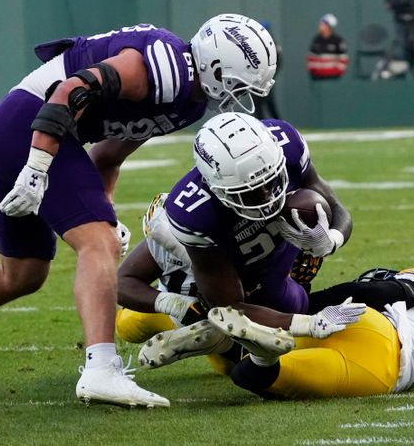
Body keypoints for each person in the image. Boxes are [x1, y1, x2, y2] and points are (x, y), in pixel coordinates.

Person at [0, 14, 278, 408]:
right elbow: (70, 91)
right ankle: (101, 368)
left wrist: (108, 211)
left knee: (24, 273)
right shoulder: (165, 65)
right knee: (97, 243)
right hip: (27, 127)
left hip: (17, 131)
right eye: (236, 85)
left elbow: (108, 155)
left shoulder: (186, 102)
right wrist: (36, 168)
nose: (236, 98)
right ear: (215, 65)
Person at [135, 112, 358, 369]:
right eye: (249, 192)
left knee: (280, 313)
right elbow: (228, 307)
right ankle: (218, 341)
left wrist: (331, 239)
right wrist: (307, 324)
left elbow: (336, 208)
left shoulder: (287, 144)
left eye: (271, 182)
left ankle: (217, 341)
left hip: (262, 277)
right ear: (216, 187)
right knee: (241, 347)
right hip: (211, 291)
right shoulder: (194, 214)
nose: (266, 197)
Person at [115, 192, 325, 374]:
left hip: (249, 304)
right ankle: (222, 342)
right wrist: (174, 304)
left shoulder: (220, 232)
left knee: (130, 323)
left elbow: (234, 305)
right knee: (129, 323)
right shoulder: (176, 237)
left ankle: (222, 343)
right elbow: (121, 283)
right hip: (208, 303)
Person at [209, 266, 414, 399]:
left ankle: (239, 346)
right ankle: (261, 354)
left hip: (367, 328)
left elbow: (366, 293)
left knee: (252, 368)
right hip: (374, 369)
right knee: (251, 374)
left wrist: (291, 311)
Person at [306, 14, 348, 80]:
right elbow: (310, 59)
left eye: (323, 25)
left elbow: (343, 60)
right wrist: (314, 73)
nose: (320, 26)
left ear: (329, 27)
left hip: (333, 78)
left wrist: (335, 73)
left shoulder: (338, 41)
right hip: (317, 78)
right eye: (320, 24)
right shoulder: (316, 40)